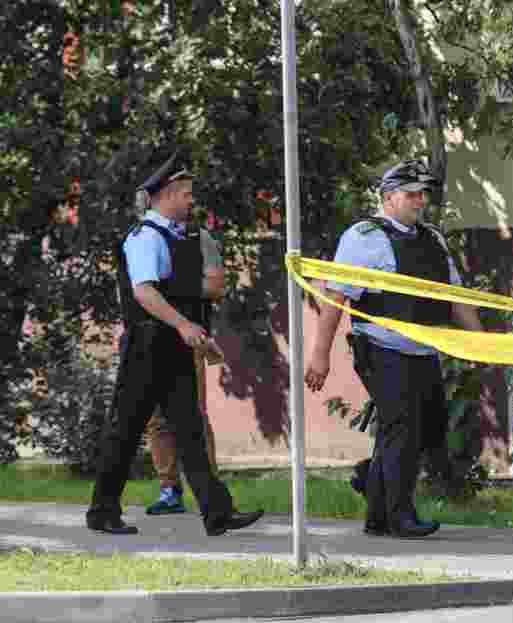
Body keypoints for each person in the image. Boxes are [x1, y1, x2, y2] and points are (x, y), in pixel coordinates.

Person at [304, 159, 484, 538]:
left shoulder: (432, 239)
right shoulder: (363, 238)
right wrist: (320, 355)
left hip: (424, 351)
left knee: (425, 429)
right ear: (388, 198)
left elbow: (454, 296)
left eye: (422, 194)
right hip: (380, 348)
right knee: (402, 427)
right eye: (411, 194)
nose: (420, 201)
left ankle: (376, 506)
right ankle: (400, 516)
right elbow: (336, 298)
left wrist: (479, 342)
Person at [87, 151, 264, 536]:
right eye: (185, 193)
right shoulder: (146, 237)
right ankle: (102, 511)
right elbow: (144, 293)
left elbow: (185, 295)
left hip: (175, 345)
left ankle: (217, 513)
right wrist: (184, 325)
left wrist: (199, 337)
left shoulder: (180, 238)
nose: (190, 200)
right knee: (126, 429)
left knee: (190, 429)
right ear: (165, 196)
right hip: (148, 345)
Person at [144, 227, 225, 515]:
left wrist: (168, 288)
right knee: (156, 419)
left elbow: (215, 287)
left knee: (193, 414)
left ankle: (211, 493)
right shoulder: (142, 238)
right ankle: (169, 491)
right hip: (149, 338)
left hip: (188, 337)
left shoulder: (198, 239)